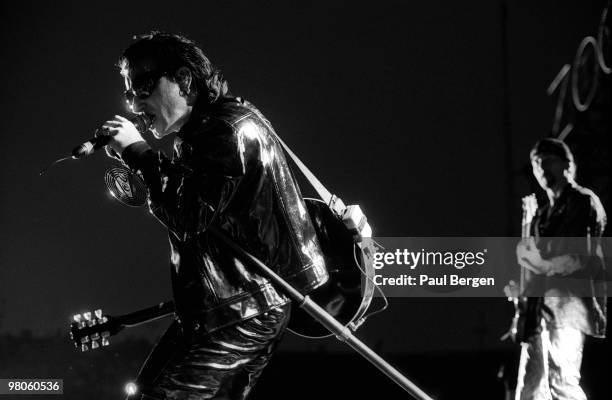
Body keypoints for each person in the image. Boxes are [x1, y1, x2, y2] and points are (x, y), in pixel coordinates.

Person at [98, 32, 329, 399]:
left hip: (242, 310)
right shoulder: (213, 127)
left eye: (142, 86)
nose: (135, 103)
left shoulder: (224, 129)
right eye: (129, 93)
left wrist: (139, 153)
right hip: (225, 309)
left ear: (185, 80)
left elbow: (188, 214)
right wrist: (139, 158)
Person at [514, 138, 607, 400]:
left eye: (546, 161)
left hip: (568, 308)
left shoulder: (582, 201)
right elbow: (528, 263)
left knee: (562, 383)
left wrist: (539, 262)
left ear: (567, 165)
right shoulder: (541, 216)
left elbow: (580, 258)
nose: (540, 168)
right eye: (535, 163)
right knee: (530, 391)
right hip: (538, 313)